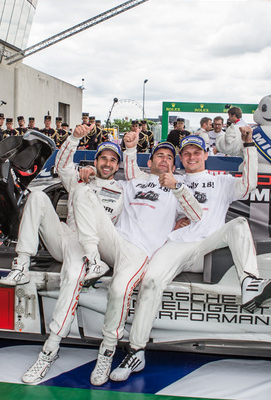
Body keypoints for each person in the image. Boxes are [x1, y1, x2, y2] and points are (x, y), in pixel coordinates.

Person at [109, 132, 271, 383]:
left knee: (239, 224)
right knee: (151, 282)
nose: (192, 156)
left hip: (210, 244)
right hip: (178, 244)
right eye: (187, 153)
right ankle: (136, 350)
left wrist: (249, 146)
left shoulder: (220, 180)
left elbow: (249, 184)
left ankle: (251, 282)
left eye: (197, 152)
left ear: (206, 155)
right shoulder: (170, 179)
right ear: (180, 158)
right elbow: (141, 185)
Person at [0, 125, 127, 384]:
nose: (107, 163)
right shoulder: (80, 178)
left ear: (118, 166)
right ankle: (21, 264)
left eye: (113, 160)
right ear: (96, 159)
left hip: (89, 250)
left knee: (72, 279)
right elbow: (61, 163)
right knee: (36, 196)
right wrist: (75, 137)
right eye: (103, 157)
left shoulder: (123, 191)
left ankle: (50, 350)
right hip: (64, 237)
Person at [73, 133, 203, 386]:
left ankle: (107, 352)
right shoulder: (132, 183)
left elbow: (197, 215)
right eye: (159, 156)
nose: (164, 160)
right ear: (151, 161)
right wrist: (86, 170)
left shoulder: (177, 188)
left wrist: (177, 187)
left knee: (120, 290)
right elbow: (104, 181)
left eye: (169, 157)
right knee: (83, 192)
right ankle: (92, 259)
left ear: (174, 166)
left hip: (139, 251)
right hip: (112, 239)